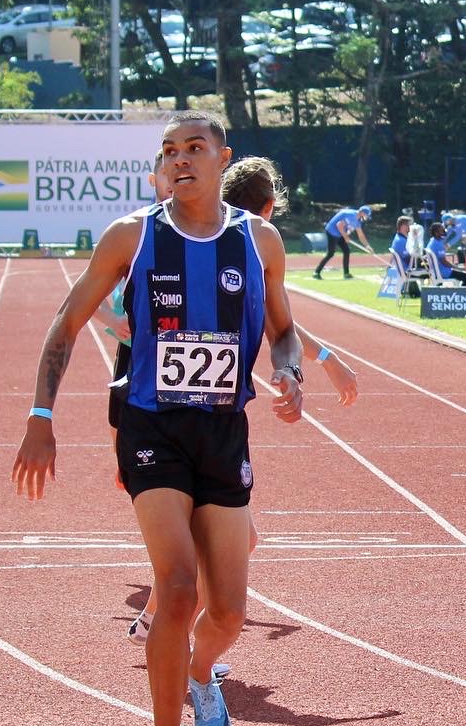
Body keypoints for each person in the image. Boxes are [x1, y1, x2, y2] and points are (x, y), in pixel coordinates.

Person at [12, 111, 306, 726]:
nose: (180, 159)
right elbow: (68, 319)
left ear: (221, 158)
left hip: (223, 431)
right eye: (169, 150)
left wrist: (291, 374)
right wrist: (41, 415)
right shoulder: (133, 234)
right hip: (151, 426)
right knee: (177, 589)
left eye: (194, 148)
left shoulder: (259, 240)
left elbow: (285, 331)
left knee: (229, 612)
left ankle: (204, 670)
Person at [124, 154, 360, 650]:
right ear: (270, 207)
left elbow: (276, 325)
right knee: (217, 545)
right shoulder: (221, 238)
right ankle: (173, 636)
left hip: (186, 416)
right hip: (158, 412)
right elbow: (273, 324)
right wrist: (324, 359)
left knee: (218, 542)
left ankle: (165, 625)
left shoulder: (237, 240)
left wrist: (308, 361)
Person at [314, 203, 374, 277]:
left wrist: (367, 246)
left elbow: (360, 235)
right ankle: (317, 272)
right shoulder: (351, 215)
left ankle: (346, 273)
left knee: (346, 251)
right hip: (332, 232)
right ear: (361, 212)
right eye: (366, 215)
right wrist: (345, 237)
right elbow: (339, 225)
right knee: (330, 253)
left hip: (340, 233)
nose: (366, 217)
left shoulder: (358, 220)